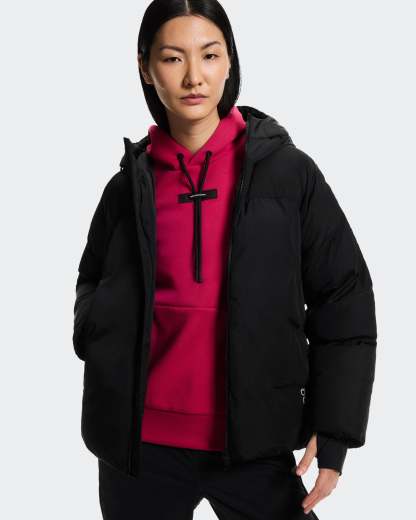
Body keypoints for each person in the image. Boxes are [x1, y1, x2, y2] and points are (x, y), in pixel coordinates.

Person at [72, 1, 377, 518]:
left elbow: (343, 295)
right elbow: (91, 279)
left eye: (210, 55)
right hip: (139, 448)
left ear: (230, 61)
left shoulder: (289, 174)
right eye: (173, 58)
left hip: (254, 442)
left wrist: (336, 427)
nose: (194, 76)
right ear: (145, 67)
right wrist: (97, 334)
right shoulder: (127, 187)